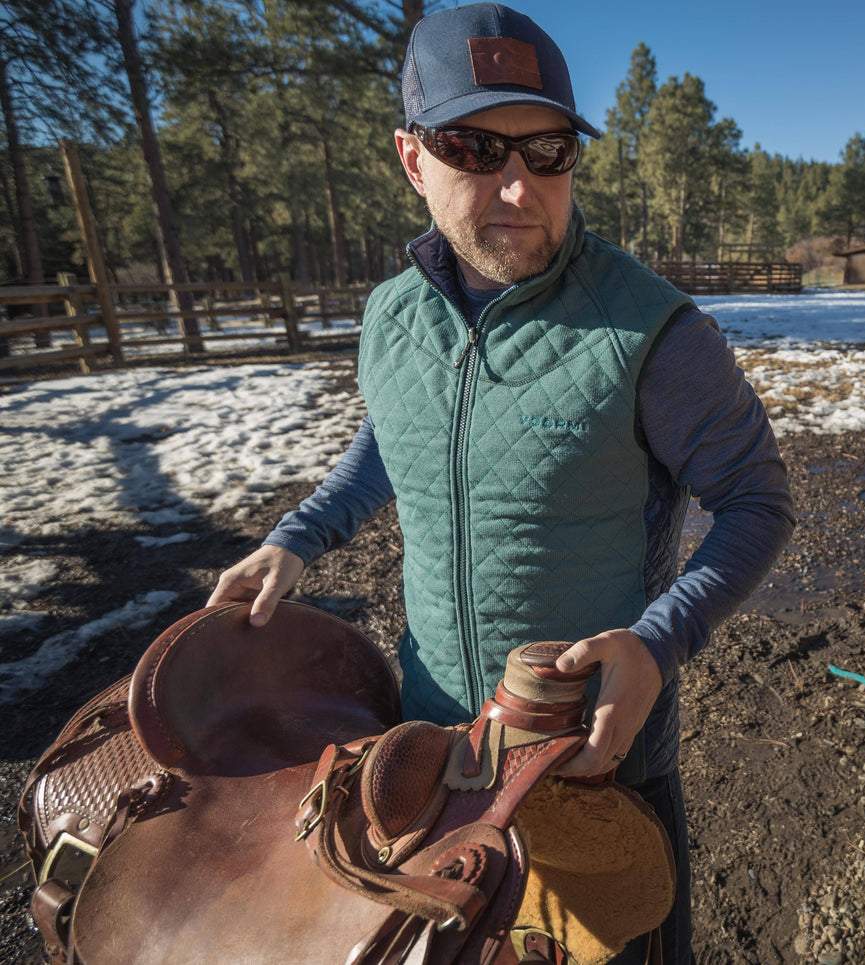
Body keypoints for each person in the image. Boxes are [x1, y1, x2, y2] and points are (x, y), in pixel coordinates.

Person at [207, 4, 795, 961]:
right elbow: (393, 439)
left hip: (593, 755)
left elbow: (757, 500)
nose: (518, 187)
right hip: (428, 735)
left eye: (548, 150)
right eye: (473, 148)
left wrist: (658, 641)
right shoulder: (392, 318)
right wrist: (296, 537)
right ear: (411, 158)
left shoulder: (652, 330)